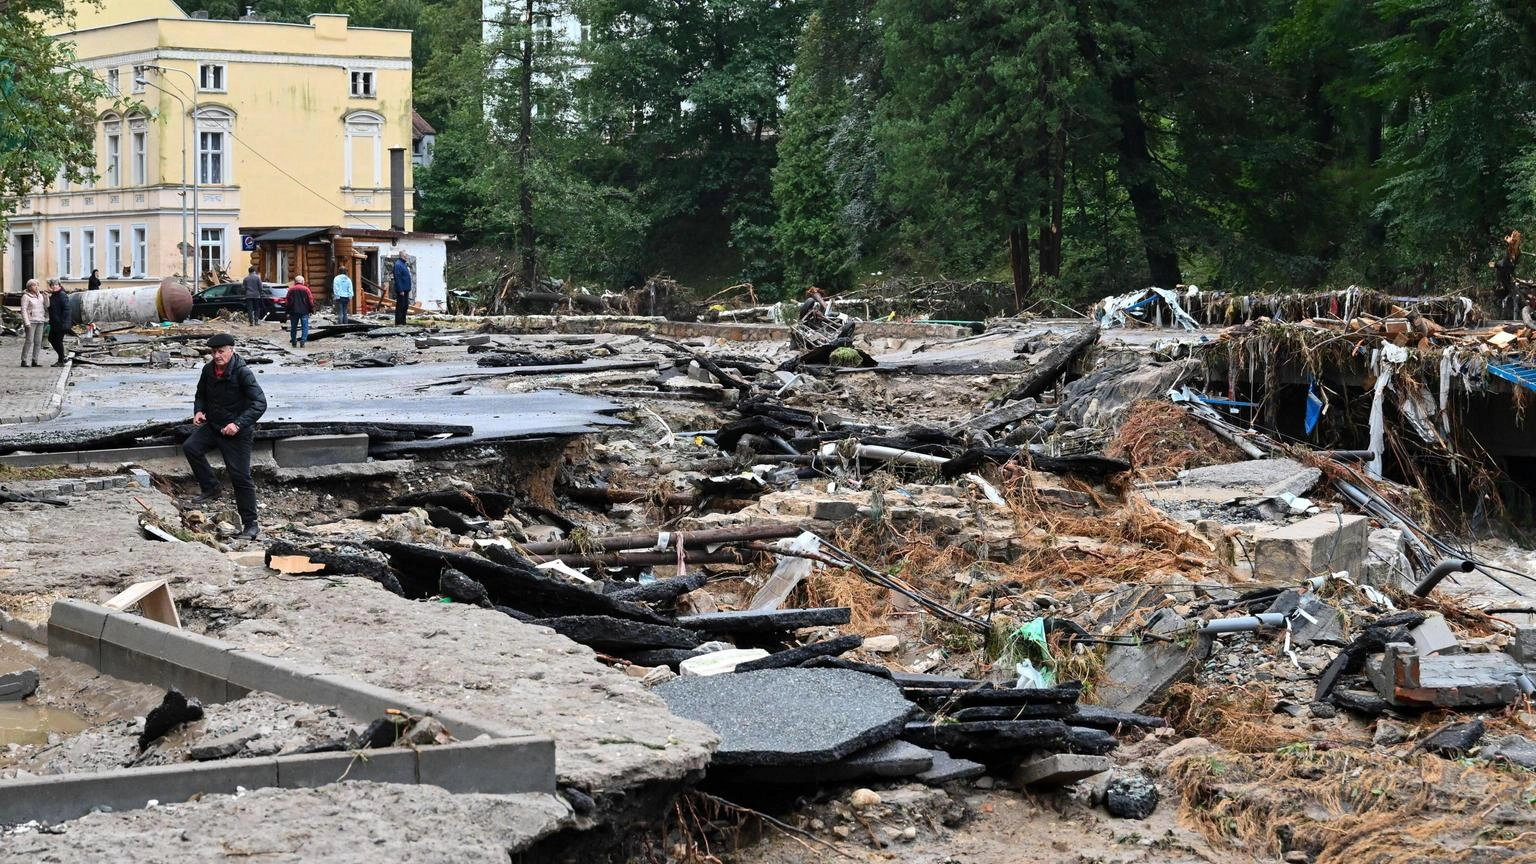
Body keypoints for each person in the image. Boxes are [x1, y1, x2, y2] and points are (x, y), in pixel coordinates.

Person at [183, 333, 266, 540]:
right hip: (214, 425)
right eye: (213, 352)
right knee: (191, 447)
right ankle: (211, 487)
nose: (217, 356)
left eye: (221, 351)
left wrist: (238, 424)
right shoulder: (208, 370)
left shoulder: (242, 372)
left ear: (232, 350)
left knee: (240, 476)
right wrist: (199, 411)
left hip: (237, 432)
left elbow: (260, 403)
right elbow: (200, 394)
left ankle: (251, 525)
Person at [19, 279, 46, 368]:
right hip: (31, 321)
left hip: (40, 320)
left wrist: (46, 297)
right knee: (29, 341)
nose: (36, 287)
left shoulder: (41, 295)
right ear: (29, 287)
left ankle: (35, 360)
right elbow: (23, 310)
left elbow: (47, 305)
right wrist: (26, 322)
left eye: (37, 285)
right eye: (34, 285)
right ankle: (24, 360)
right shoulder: (26, 297)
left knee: (38, 342)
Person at [46, 279, 72, 366]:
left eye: (55, 285)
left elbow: (67, 309)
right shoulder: (54, 295)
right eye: (52, 285)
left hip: (60, 323)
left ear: (59, 285)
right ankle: (62, 357)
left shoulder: (62, 295)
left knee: (57, 340)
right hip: (54, 322)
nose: (54, 286)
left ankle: (61, 360)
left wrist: (63, 321)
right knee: (52, 339)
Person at [286, 274, 315, 347]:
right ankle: (303, 341)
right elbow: (310, 300)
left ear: (295, 282)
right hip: (304, 311)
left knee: (293, 327)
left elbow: (287, 301)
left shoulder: (291, 289)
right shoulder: (306, 289)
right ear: (302, 281)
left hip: (293, 311)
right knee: (305, 327)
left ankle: (294, 341)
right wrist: (311, 309)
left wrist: (287, 310)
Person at [391, 253, 412, 325]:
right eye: (406, 256)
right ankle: (399, 322)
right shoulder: (398, 265)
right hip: (402, 290)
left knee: (405, 306)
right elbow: (398, 278)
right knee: (400, 306)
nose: (407, 257)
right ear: (402, 256)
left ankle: (403, 322)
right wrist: (400, 290)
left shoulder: (403, 264)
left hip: (405, 289)